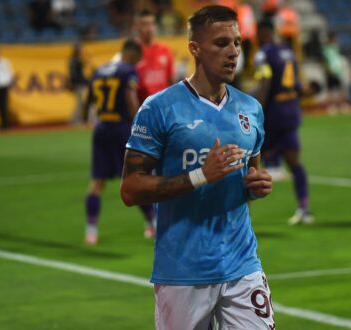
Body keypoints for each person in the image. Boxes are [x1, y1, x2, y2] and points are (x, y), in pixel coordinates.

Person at [121, 5, 275, 329]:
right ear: (194, 48)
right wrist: (200, 175)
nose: (233, 52)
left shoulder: (251, 109)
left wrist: (256, 185)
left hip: (242, 265)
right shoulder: (160, 109)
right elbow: (131, 189)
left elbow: (250, 174)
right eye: (221, 43)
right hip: (182, 272)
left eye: (237, 42)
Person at [83, 39, 156, 245]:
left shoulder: (100, 69)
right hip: (120, 129)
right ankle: (154, 222)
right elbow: (130, 95)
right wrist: (139, 124)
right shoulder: (127, 71)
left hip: (101, 128)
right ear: (132, 55)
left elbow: (88, 99)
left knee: (97, 183)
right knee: (136, 178)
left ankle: (91, 232)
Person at [254, 19, 312, 225]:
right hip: (290, 113)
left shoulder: (264, 54)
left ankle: (233, 220)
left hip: (273, 116)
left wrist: (255, 108)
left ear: (262, 33)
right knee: (295, 164)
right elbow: (295, 83)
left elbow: (265, 82)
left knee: (245, 164)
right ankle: (304, 208)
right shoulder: (287, 51)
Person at [133, 9, 175, 104]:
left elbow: (171, 82)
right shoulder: (132, 52)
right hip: (142, 107)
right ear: (136, 27)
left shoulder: (165, 50)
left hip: (163, 107)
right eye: (145, 24)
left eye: (152, 24)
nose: (149, 28)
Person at [68, 43, 89, 124]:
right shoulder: (74, 60)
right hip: (78, 84)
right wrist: (84, 81)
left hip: (78, 83)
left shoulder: (75, 60)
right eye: (79, 49)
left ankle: (74, 119)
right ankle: (74, 120)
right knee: (79, 103)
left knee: (80, 102)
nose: (81, 51)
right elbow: (75, 75)